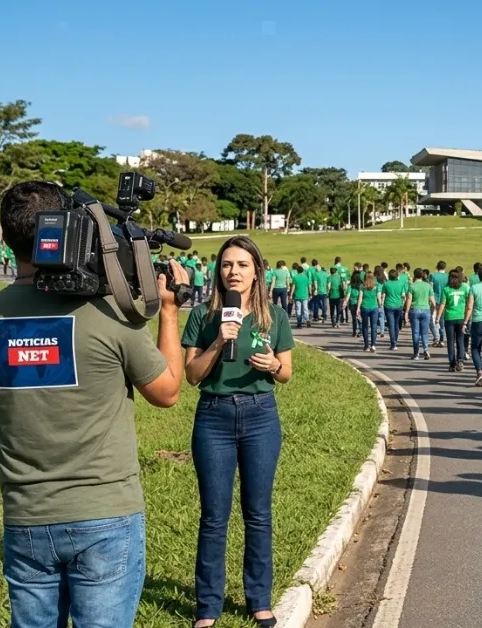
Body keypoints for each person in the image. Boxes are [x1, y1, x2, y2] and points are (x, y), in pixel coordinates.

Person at [0, 181, 186, 628]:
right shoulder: (108, 315)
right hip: (104, 512)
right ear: (67, 228)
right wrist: (168, 311)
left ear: (8, 238)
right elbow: (167, 392)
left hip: (26, 513)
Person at [182, 236, 294, 628]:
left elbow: (287, 374)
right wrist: (218, 342)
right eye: (227, 264)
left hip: (260, 416)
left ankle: (259, 599)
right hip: (213, 417)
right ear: (218, 271)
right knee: (214, 516)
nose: (234, 272)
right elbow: (192, 376)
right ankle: (208, 606)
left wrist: (271, 367)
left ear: (257, 272)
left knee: (258, 513)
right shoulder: (203, 315)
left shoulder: (273, 317)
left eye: (243, 265)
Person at [436, 270, 470, 371]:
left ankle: (452, 364)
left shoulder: (446, 289)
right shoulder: (464, 287)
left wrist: (437, 317)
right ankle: (460, 360)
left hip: (449, 317)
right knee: (460, 340)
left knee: (450, 342)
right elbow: (469, 302)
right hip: (461, 317)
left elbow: (442, 304)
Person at [405, 268, 435, 360]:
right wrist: (434, 309)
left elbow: (409, 299)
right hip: (426, 309)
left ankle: (416, 352)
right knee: (425, 332)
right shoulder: (428, 286)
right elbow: (432, 300)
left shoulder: (412, 286)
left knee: (415, 332)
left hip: (415, 309)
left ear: (414, 275)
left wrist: (406, 312)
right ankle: (426, 349)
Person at [355, 272, 384, 352]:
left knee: (365, 327)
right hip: (374, 307)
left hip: (365, 307)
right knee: (374, 326)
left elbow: (360, 297)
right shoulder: (376, 286)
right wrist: (380, 305)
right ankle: (373, 345)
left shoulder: (362, 286)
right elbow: (378, 297)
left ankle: (366, 345)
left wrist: (358, 308)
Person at [383, 269, 409, 350]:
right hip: (398, 305)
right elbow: (404, 295)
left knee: (391, 324)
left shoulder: (386, 284)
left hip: (389, 305)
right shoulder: (401, 284)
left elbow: (383, 294)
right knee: (396, 324)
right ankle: (395, 341)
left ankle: (393, 343)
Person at [430, 261, 450, 348]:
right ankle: (441, 338)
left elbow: (431, 288)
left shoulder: (433, 276)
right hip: (446, 299)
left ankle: (437, 337)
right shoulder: (448, 276)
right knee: (442, 320)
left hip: (436, 299)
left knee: (433, 319)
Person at [290, 262, 312, 328]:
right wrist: (310, 293)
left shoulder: (295, 277)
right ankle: (307, 319)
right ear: (303, 271)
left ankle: (299, 322)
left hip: (297, 295)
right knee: (305, 308)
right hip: (305, 295)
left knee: (298, 309)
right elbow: (309, 286)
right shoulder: (306, 278)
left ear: (297, 271)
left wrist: (291, 295)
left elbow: (293, 287)